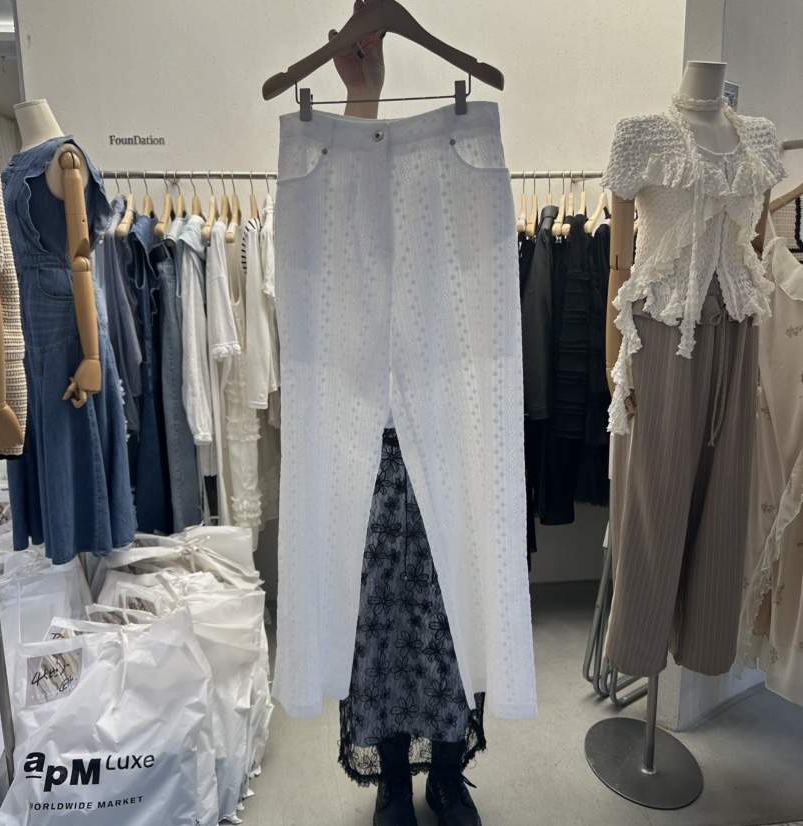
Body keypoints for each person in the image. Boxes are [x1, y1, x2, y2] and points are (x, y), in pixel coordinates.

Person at [331, 4, 485, 825]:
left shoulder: (453, 207)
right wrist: (365, 96)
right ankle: (394, 772)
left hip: (449, 437)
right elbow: (349, 219)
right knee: (384, 617)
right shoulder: (360, 248)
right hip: (375, 447)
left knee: (455, 612)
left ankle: (449, 771)